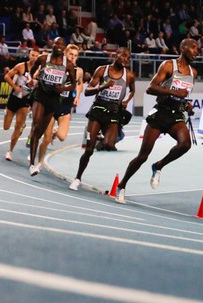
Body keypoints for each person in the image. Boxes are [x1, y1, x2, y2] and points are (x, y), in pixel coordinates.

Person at [116, 39, 199, 203]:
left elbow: (183, 94)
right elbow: (150, 88)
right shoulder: (168, 65)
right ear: (183, 48)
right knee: (142, 156)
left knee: (185, 144)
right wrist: (175, 93)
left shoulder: (193, 72)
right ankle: (122, 185)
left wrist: (186, 103)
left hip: (176, 115)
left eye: (198, 48)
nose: (197, 51)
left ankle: (159, 165)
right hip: (160, 114)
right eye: (193, 47)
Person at [69, 47, 136, 192]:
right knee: (89, 150)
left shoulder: (129, 75)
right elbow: (87, 91)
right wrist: (103, 86)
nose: (125, 59)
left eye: (128, 57)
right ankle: (77, 178)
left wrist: (126, 100)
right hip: (98, 109)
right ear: (115, 55)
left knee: (109, 144)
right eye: (123, 55)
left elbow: (133, 90)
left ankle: (99, 136)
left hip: (114, 112)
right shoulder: (102, 70)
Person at [27, 37, 79, 176]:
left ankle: (34, 151)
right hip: (40, 95)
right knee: (37, 125)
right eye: (57, 44)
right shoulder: (43, 59)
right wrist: (34, 80)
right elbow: (32, 71)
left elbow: (73, 85)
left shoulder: (68, 65)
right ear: (53, 45)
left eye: (62, 44)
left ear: (64, 47)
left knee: (40, 132)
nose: (59, 47)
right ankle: (32, 164)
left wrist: (62, 89)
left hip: (54, 99)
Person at [36, 43, 85, 167]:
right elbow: (39, 74)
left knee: (62, 137)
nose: (73, 57)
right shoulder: (56, 66)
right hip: (52, 104)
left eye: (75, 55)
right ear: (65, 54)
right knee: (46, 140)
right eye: (70, 54)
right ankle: (39, 162)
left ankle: (54, 133)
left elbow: (80, 84)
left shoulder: (78, 71)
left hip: (65, 106)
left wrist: (78, 96)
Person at [2, 46, 39, 161]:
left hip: (25, 101)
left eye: (37, 56)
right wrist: (15, 87)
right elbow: (7, 76)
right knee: (6, 127)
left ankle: (9, 151)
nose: (34, 58)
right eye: (33, 55)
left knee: (17, 127)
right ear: (29, 55)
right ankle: (7, 113)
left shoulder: (40, 71)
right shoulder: (21, 67)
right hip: (14, 98)